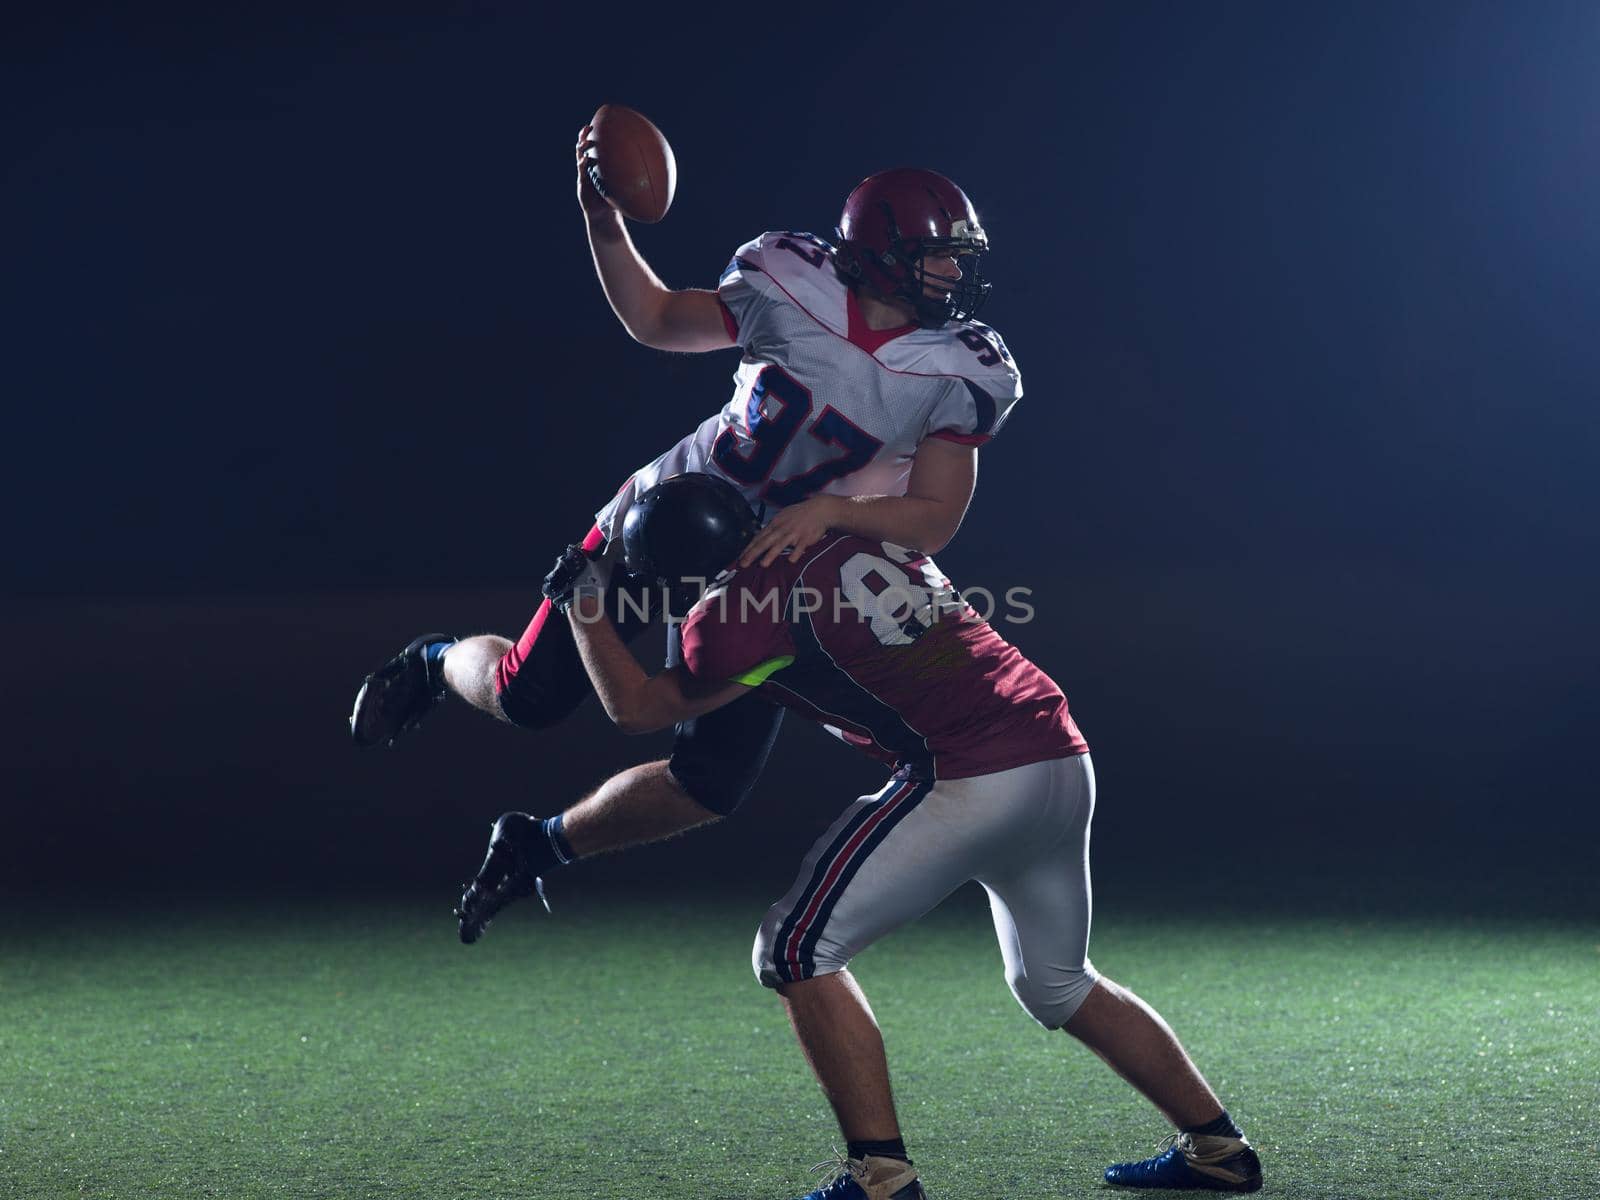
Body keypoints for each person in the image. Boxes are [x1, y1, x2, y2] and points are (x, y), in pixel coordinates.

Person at [455, 473, 1265, 1197]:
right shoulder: (844, 526)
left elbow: (638, 709)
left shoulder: (736, 617)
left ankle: (880, 1176)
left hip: (965, 775)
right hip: (1058, 754)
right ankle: (1218, 1149)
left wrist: (585, 607)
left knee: (794, 950)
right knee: (1056, 982)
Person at [348, 131, 1025, 839]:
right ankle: (433, 661)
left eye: (959, 255)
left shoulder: (962, 367)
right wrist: (603, 221)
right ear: (879, 256)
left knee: (709, 781)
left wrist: (829, 512)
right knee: (528, 696)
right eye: (938, 255)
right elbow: (658, 319)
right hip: (668, 520)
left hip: (774, 570)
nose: (954, 273)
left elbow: (933, 519)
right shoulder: (791, 280)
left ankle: (538, 849)